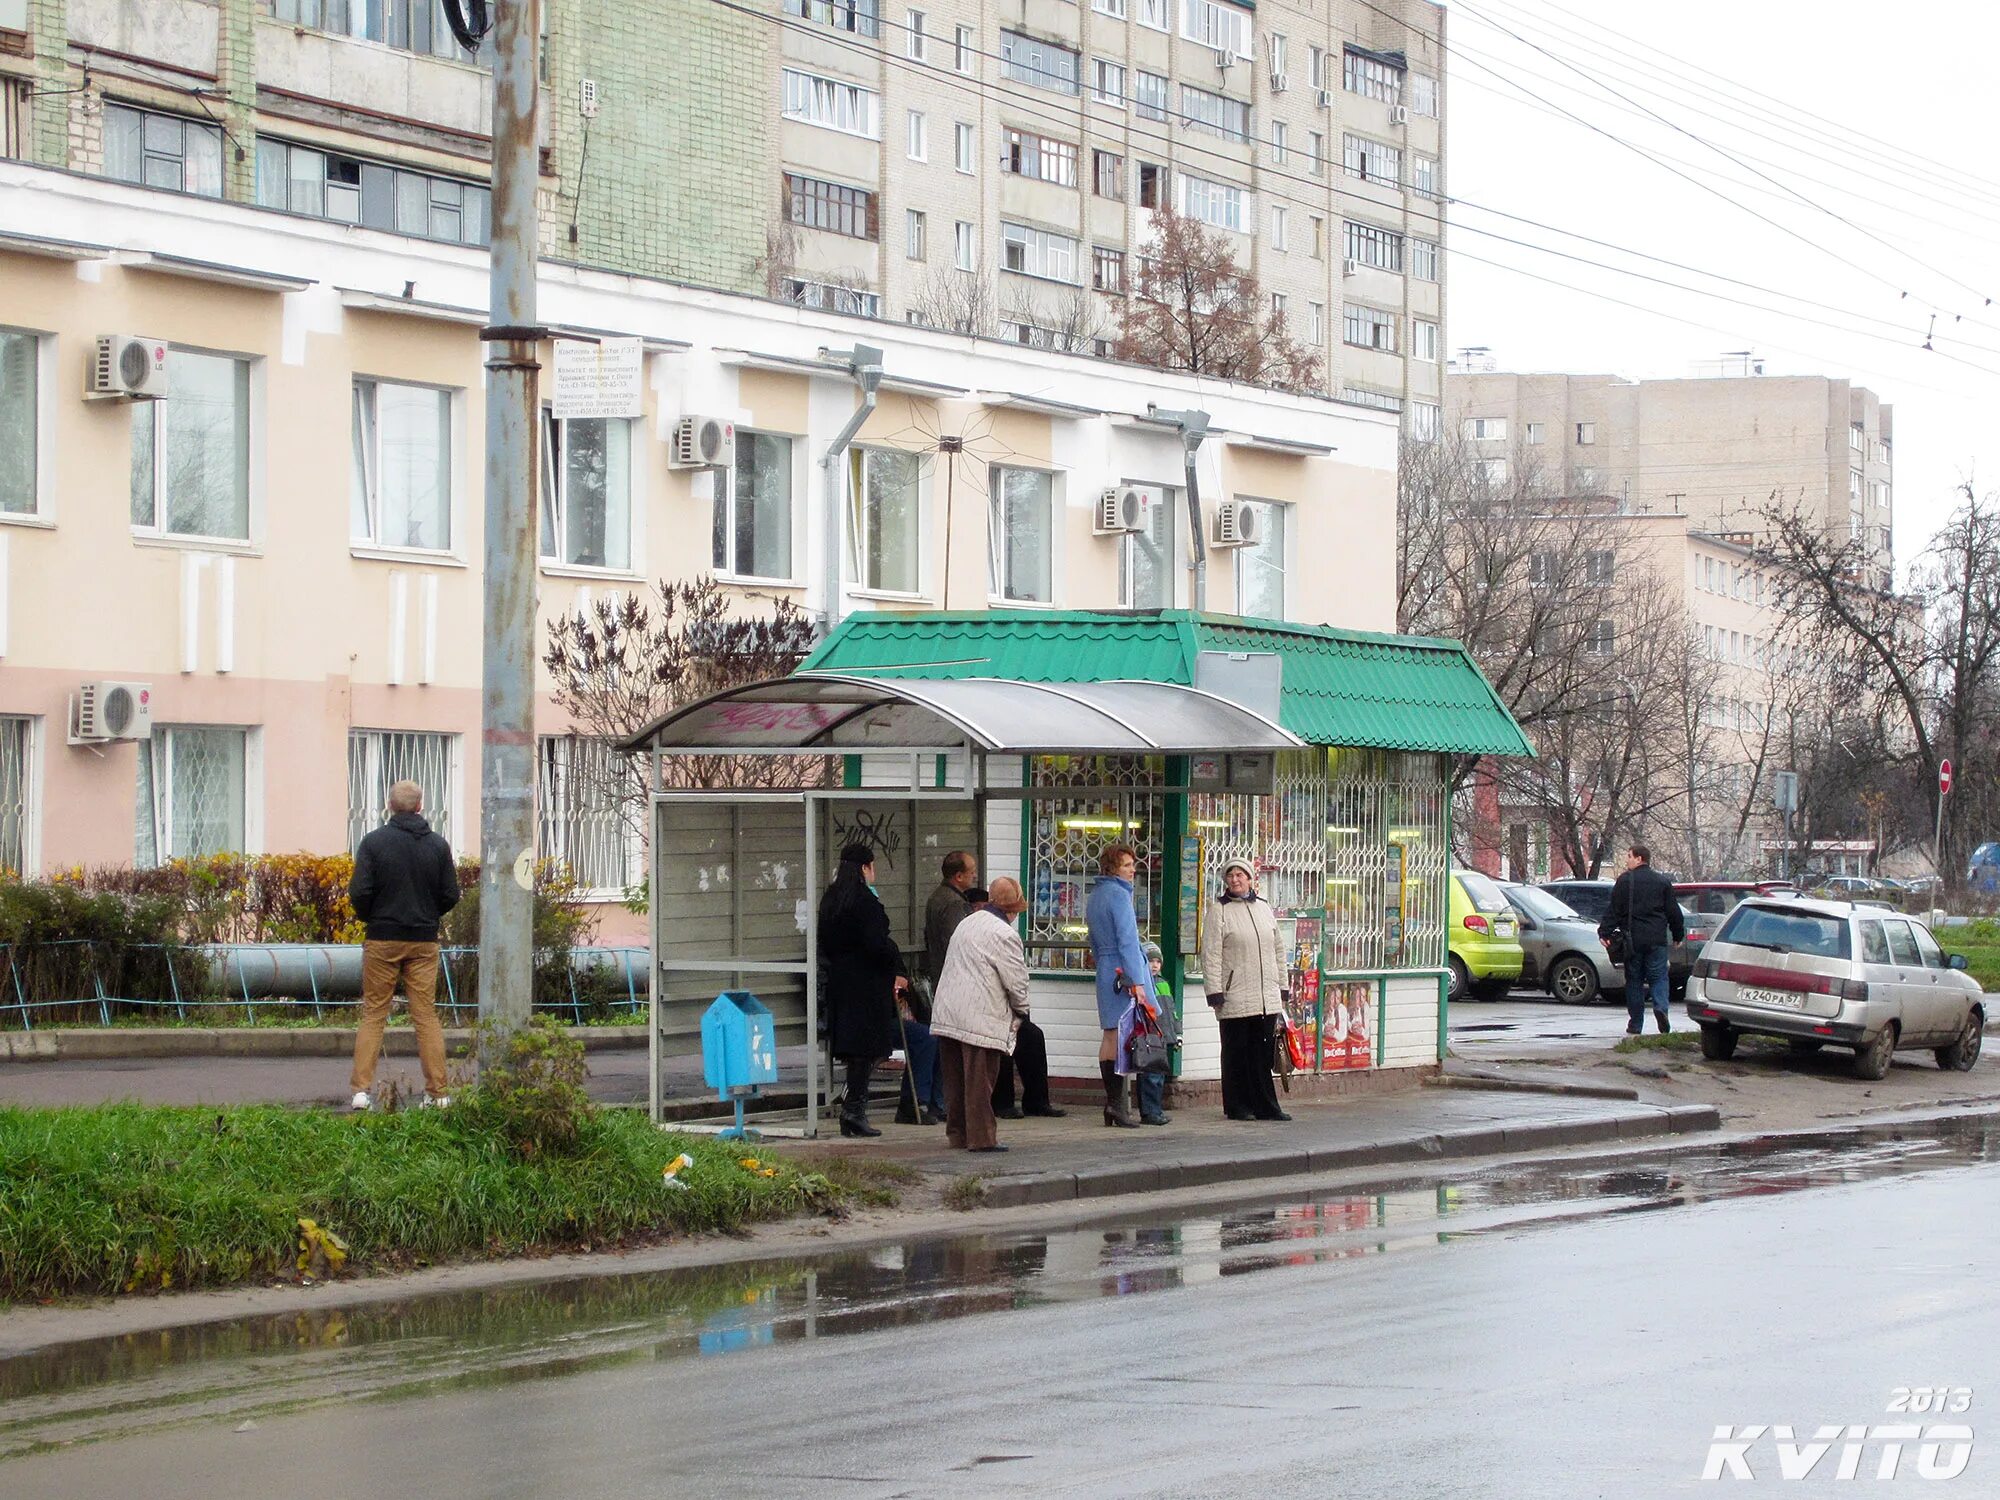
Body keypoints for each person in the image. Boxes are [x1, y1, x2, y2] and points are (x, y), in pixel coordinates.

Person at [347, 779, 460, 1111]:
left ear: (390, 806)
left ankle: (361, 1092)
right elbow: (450, 894)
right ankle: (438, 1094)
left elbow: (359, 892)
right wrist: (428, 915)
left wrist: (374, 917)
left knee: (374, 1013)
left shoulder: (373, 843)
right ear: (421, 806)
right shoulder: (438, 845)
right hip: (423, 941)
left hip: (382, 938)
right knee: (425, 1015)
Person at [929, 877, 1033, 1153]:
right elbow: (1016, 980)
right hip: (979, 1015)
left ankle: (957, 1134)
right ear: (1013, 909)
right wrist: (1022, 1009)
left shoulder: (967, 923)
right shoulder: (1005, 935)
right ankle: (982, 1138)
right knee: (979, 1081)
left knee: (954, 1081)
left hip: (948, 1011)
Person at [817, 842, 910, 1137]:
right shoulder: (865, 902)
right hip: (867, 987)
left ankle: (853, 1111)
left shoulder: (832, 899)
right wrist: (892, 961)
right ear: (865, 867)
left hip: (841, 984)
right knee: (867, 1050)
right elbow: (876, 944)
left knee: (855, 1050)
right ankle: (854, 1111)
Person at [1200, 857, 1292, 1122]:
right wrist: (1214, 991)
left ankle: (1266, 1105)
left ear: (1250, 879)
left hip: (1265, 996)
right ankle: (1237, 1105)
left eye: (1240, 875)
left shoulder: (1263, 907)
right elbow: (1211, 954)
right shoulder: (1219, 910)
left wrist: (1282, 986)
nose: (1235, 879)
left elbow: (1278, 950)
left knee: (1261, 1054)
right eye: (1231, 875)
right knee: (1236, 1053)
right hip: (1234, 995)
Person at [964, 886, 1067, 1120]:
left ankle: (1037, 1101)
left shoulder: (991, 928)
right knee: (1005, 1040)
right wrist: (1021, 1008)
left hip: (1002, 1002)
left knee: (1033, 1036)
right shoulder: (999, 932)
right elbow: (1014, 977)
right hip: (987, 1005)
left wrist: (1020, 1010)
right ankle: (1002, 1102)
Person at [898, 851, 979, 1126]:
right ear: (958, 875)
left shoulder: (937, 897)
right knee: (948, 1042)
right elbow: (959, 942)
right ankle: (939, 1102)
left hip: (937, 975)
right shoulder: (954, 904)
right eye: (971, 871)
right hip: (950, 979)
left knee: (938, 1039)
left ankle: (934, 1101)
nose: (974, 875)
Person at [1085, 844, 1154, 1128]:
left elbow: (1092, 939)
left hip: (1106, 969)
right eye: (1127, 865)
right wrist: (1137, 981)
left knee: (1110, 1034)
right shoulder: (1119, 895)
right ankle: (1118, 1105)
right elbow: (1127, 940)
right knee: (1122, 1036)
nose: (1132, 870)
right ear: (1113, 868)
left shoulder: (1096, 895)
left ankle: (1113, 1103)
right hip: (1123, 971)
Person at [1600, 843, 1686, 1036]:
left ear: (1639, 858)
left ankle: (1636, 1024)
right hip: (1656, 939)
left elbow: (1614, 909)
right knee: (1659, 977)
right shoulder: (1662, 881)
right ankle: (1661, 1008)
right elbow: (1673, 912)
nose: (1627, 860)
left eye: (1629, 856)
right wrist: (1678, 935)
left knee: (1634, 981)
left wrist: (1604, 932)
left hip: (1633, 941)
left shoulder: (1625, 881)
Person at [1117, 940, 1176, 1126]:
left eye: (1158, 961)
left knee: (1159, 1076)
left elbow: (1171, 1011)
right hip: (1149, 1036)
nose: (1155, 965)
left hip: (1162, 1035)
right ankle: (1150, 1112)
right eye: (1151, 961)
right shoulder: (1143, 986)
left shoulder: (1164, 984)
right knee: (1150, 1074)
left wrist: (1176, 1033)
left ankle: (1156, 1109)